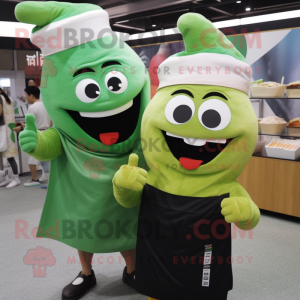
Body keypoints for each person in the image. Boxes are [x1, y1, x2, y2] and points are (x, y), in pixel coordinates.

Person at [15, 86, 51, 186]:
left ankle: (34, 180)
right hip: (47, 133)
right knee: (45, 156)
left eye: (26, 95)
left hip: (35, 133)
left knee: (31, 157)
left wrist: (21, 128)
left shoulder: (32, 107)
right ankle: (46, 176)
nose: (25, 97)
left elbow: (30, 124)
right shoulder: (46, 105)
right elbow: (51, 121)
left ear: (31, 95)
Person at [0, 87, 21, 188]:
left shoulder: (0, 98)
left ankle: (15, 178)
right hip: (10, 128)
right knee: (9, 155)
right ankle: (10, 177)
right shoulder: (9, 99)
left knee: (9, 156)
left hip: (4, 129)